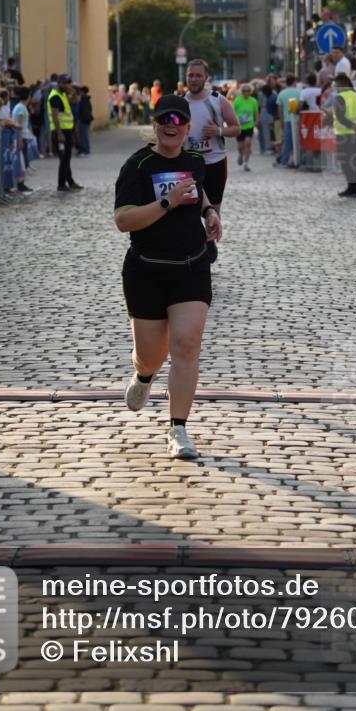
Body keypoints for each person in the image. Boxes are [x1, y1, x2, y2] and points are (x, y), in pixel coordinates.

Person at [114, 94, 222, 461]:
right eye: (164, 119)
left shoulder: (194, 161)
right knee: (151, 356)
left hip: (191, 266)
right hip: (146, 271)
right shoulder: (137, 165)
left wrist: (209, 212)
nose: (171, 125)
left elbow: (199, 191)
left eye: (178, 120)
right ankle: (143, 376)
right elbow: (123, 220)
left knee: (187, 345)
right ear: (155, 124)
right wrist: (167, 203)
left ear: (188, 127)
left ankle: (178, 429)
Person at [183, 58, 240, 262]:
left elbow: (236, 127)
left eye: (198, 75)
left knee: (212, 208)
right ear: (186, 76)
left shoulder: (218, 100)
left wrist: (218, 130)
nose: (194, 79)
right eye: (191, 75)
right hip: (190, 163)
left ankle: (209, 244)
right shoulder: (181, 102)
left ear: (206, 78)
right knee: (189, 207)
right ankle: (195, 247)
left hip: (215, 162)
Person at [331, 72, 356, 197]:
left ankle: (352, 187)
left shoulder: (339, 97)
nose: (336, 88)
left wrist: (353, 126)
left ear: (342, 84)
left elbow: (340, 116)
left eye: (336, 86)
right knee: (355, 162)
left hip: (344, 134)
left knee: (345, 162)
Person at [48, 74, 82, 192]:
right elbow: (55, 116)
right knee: (64, 159)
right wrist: (59, 134)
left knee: (66, 159)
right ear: (60, 83)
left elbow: (76, 101)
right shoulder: (55, 97)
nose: (69, 85)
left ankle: (70, 182)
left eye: (69, 83)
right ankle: (61, 184)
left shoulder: (63, 94)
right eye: (67, 83)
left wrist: (73, 92)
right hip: (60, 132)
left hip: (67, 131)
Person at [275, 74, 301, 168]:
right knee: (298, 141)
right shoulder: (299, 92)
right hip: (298, 120)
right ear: (294, 82)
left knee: (287, 142)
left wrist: (281, 122)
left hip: (287, 120)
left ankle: (284, 162)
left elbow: (280, 110)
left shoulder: (282, 94)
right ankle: (298, 160)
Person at [232, 82, 258, 172]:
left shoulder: (253, 101)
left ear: (250, 91)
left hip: (249, 126)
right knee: (240, 146)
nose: (246, 92)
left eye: (248, 91)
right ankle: (240, 154)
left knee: (248, 143)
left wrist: (256, 122)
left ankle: (246, 164)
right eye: (244, 91)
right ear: (241, 91)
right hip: (239, 127)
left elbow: (256, 113)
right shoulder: (237, 100)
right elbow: (232, 112)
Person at [77, 85, 94, 155]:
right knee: (85, 135)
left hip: (83, 120)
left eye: (80, 91)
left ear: (83, 92)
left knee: (83, 135)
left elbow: (82, 111)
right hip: (87, 119)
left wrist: (80, 119)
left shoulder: (83, 100)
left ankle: (84, 150)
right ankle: (86, 149)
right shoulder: (87, 99)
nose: (79, 93)